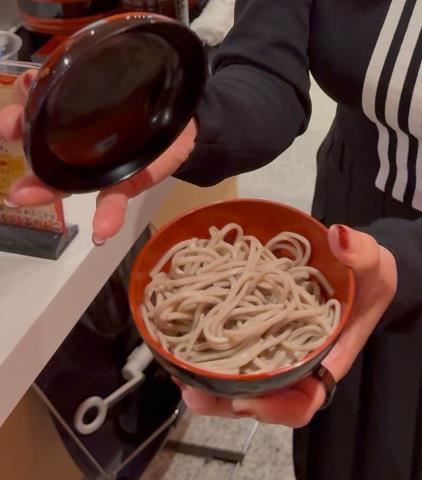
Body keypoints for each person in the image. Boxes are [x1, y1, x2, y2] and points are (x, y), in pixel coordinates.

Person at [1, 1, 421, 478]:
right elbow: (267, 67)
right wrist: (190, 120)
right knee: (346, 446)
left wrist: (410, 260)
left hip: (397, 256)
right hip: (354, 221)